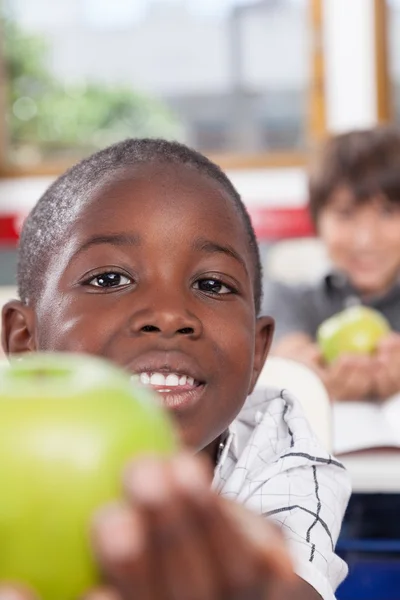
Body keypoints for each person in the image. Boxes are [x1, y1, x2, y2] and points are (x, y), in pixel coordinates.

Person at [0, 138, 350, 600]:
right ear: (25, 340)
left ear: (258, 355)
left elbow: (295, 587)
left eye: (211, 284)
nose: (168, 315)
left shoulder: (278, 448)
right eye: (109, 279)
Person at [263, 126, 400, 402]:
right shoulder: (289, 298)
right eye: (345, 214)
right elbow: (289, 352)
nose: (365, 240)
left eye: (387, 212)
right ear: (317, 221)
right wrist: (302, 373)